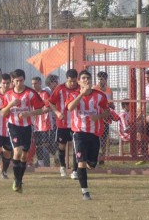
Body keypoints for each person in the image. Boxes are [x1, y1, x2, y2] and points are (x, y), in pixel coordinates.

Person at [66, 69, 110, 200]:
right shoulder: (74, 95)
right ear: (79, 82)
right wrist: (81, 94)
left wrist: (99, 116)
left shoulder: (100, 96)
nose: (86, 80)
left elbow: (107, 112)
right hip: (79, 133)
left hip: (94, 133)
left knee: (91, 164)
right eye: (83, 78)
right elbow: (70, 108)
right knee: (81, 162)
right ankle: (85, 192)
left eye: (88, 78)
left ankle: (90, 165)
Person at [0, 69, 45, 192]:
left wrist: (29, 113)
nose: (19, 83)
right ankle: (16, 180)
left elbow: (41, 110)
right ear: (12, 82)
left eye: (21, 80)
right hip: (13, 126)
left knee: (24, 156)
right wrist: (11, 104)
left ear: (24, 80)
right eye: (16, 81)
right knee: (17, 152)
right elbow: (3, 114)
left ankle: (19, 179)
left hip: (27, 127)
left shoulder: (30, 93)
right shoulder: (8, 95)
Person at [48, 69, 79, 179]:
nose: (72, 84)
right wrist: (57, 112)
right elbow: (50, 102)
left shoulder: (80, 89)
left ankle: (75, 171)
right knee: (62, 146)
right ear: (66, 79)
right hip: (62, 122)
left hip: (77, 123)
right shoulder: (60, 88)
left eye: (75, 81)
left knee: (76, 146)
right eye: (70, 81)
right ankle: (62, 166)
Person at [92, 71, 114, 165]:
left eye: (102, 79)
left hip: (105, 116)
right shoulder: (94, 89)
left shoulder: (109, 90)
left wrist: (111, 106)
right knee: (95, 137)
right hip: (97, 116)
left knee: (104, 138)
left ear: (106, 80)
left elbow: (111, 102)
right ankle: (94, 155)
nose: (100, 81)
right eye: (99, 79)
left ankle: (102, 157)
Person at [31, 76, 52, 167]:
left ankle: (46, 163)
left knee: (45, 144)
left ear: (40, 83)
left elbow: (48, 106)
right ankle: (40, 163)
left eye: (35, 83)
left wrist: (39, 110)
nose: (34, 85)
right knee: (37, 143)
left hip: (44, 122)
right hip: (35, 123)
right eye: (32, 84)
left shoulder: (45, 94)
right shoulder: (32, 94)